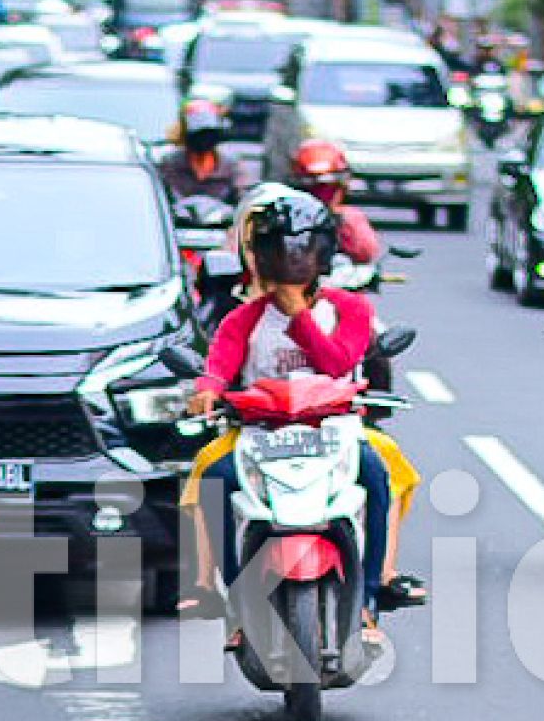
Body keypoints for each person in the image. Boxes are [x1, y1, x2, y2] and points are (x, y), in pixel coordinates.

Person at [178, 188, 425, 638]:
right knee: (212, 476)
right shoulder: (242, 318)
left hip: (335, 431)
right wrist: (207, 392)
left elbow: (335, 363)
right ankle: (231, 599)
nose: (289, 261)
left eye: (299, 250)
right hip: (257, 432)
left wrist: (298, 317)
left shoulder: (351, 308)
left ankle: (371, 595)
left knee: (379, 470)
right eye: (277, 250)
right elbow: (218, 367)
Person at [290, 139, 380, 266]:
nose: (323, 195)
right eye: (316, 188)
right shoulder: (287, 217)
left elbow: (365, 253)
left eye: (329, 188)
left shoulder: (350, 218)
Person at [157, 98, 240, 204]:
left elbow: (243, 194)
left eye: (209, 133)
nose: (204, 139)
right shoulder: (170, 164)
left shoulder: (230, 165)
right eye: (199, 133)